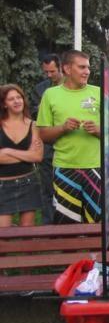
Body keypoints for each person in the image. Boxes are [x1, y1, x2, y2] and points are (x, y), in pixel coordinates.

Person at [36, 50, 102, 224]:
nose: (87, 71)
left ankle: (93, 244)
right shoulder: (50, 95)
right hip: (64, 168)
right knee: (67, 223)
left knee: (96, 223)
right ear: (67, 69)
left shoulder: (99, 92)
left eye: (88, 67)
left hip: (95, 167)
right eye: (82, 67)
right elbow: (42, 134)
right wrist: (63, 128)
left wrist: (97, 129)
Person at [0, 84, 43, 227]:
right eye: (11, 99)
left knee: (27, 231)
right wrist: (26, 154)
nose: (16, 101)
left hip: (28, 182)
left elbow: (37, 156)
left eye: (19, 97)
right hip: (2, 185)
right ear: (4, 104)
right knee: (3, 232)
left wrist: (8, 151)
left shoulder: (33, 125)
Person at [30, 54, 63, 224]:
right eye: (46, 72)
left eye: (52, 71)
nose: (49, 75)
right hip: (48, 148)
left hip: (69, 147)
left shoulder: (72, 87)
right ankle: (49, 226)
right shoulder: (40, 89)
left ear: (61, 67)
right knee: (47, 188)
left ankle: (67, 226)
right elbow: (35, 113)